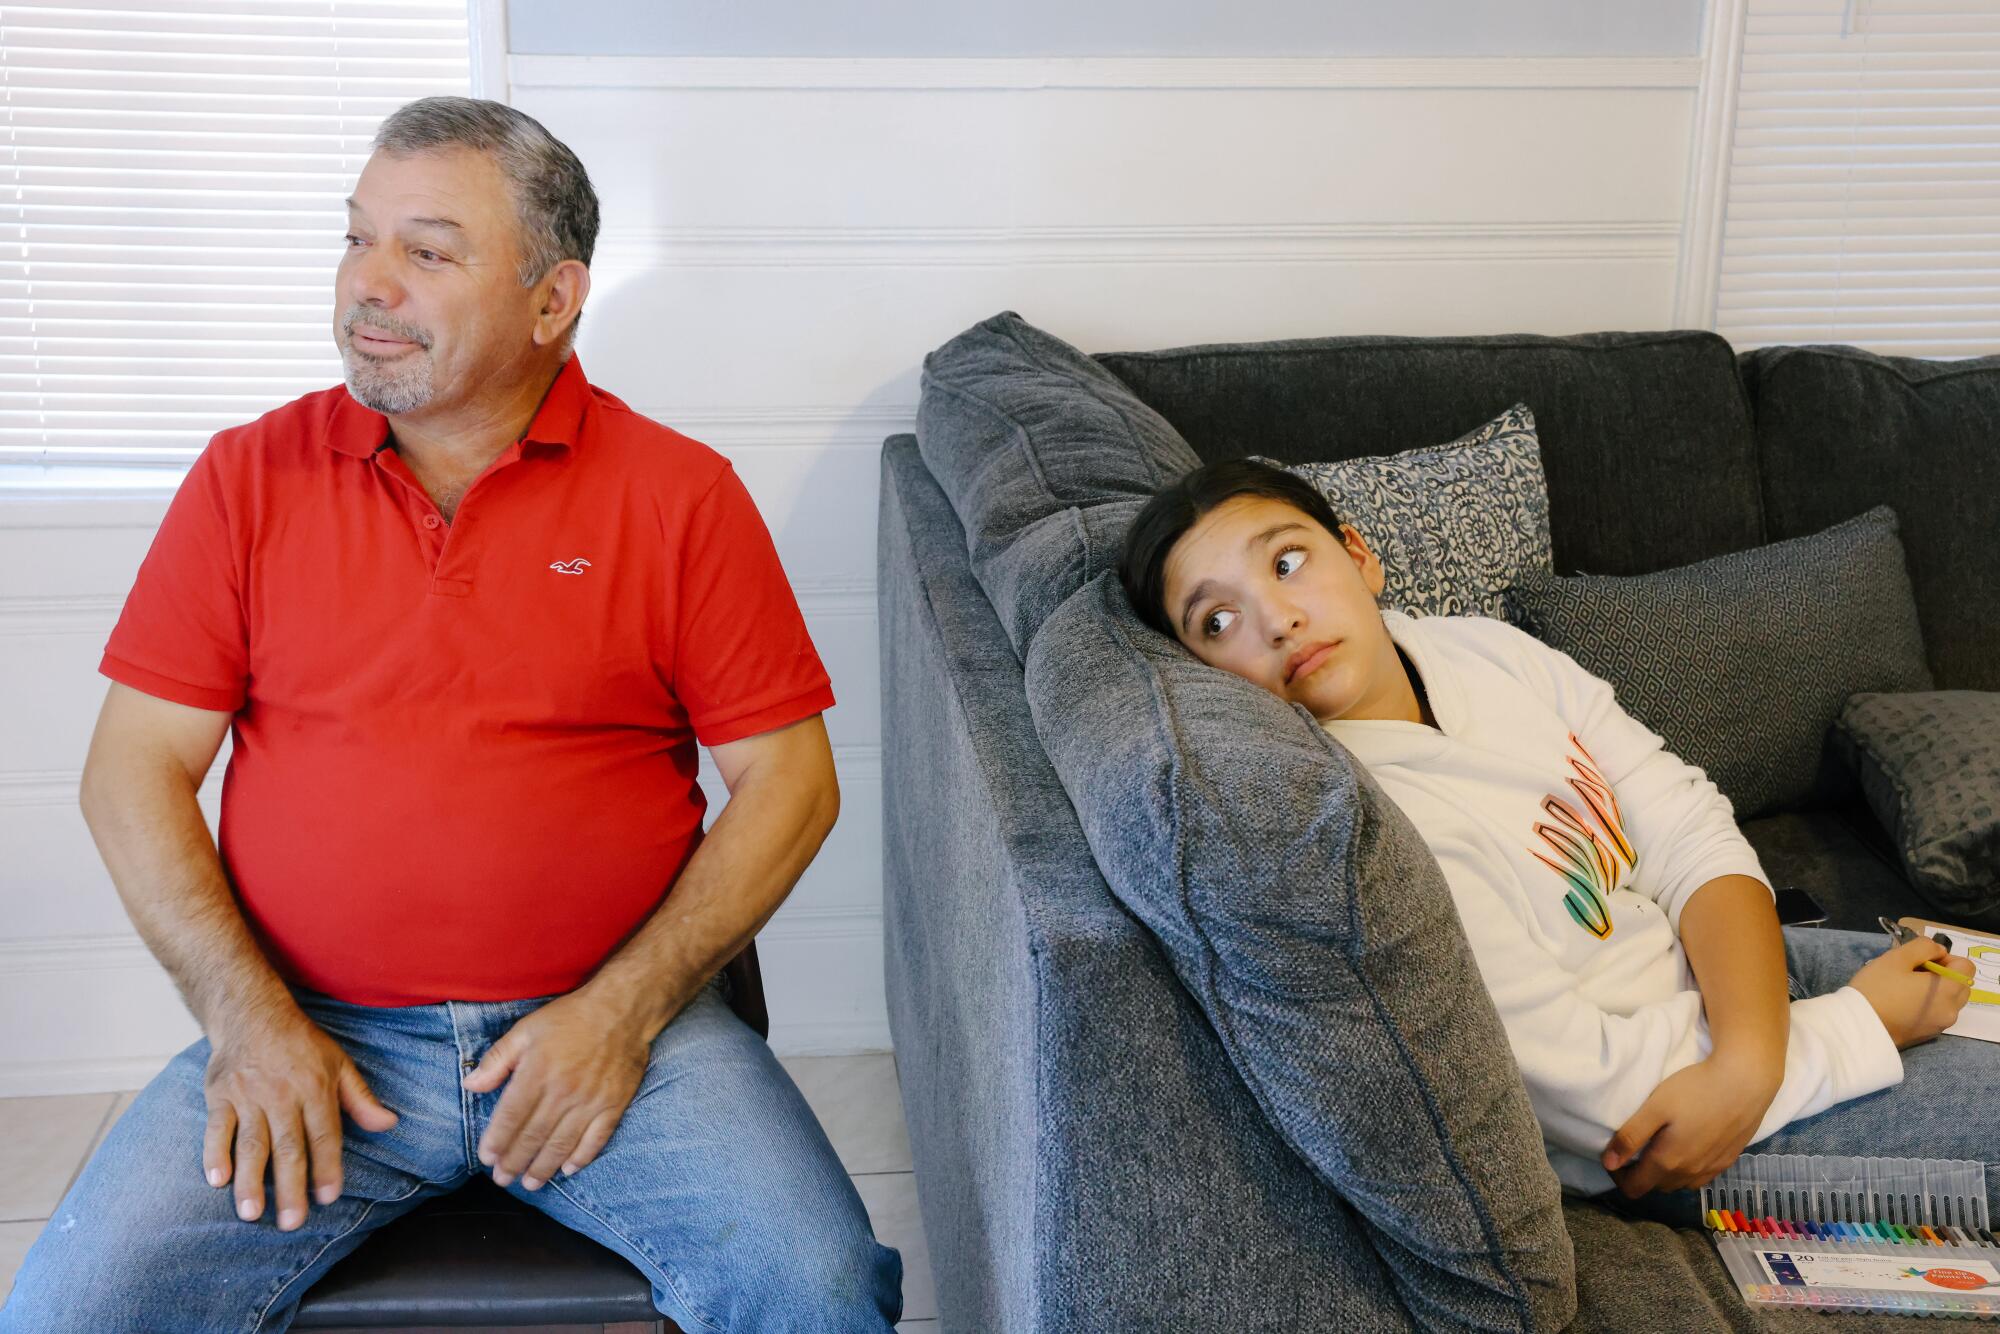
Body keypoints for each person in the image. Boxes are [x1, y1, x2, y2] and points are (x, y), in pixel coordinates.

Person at [1, 97, 901, 1333]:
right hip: (314, 1034)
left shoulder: (679, 496)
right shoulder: (246, 478)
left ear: (553, 299)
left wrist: (621, 1012)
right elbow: (130, 773)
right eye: (356, 237)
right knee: (69, 1310)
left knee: (816, 1286)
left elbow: (792, 783)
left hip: (613, 1031)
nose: (367, 285)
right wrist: (248, 1022)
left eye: (425, 252)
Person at [1117, 457, 1993, 1223]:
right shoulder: (1362, 830)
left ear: (1359, 556)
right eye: (1216, 622)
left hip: (1743, 992)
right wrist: (1852, 1028)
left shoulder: (1484, 649)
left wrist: (1756, 1050)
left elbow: (1687, 825)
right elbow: (1607, 1105)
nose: (1276, 619)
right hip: (1680, 1123)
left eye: (1288, 561)